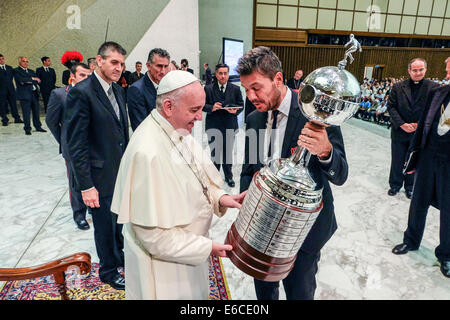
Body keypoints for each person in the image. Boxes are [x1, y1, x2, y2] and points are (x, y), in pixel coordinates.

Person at [111, 70, 246, 299]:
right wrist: (208, 247)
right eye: (194, 110)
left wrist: (221, 197)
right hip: (165, 266)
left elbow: (198, 176)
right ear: (169, 106)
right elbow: (154, 238)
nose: (200, 117)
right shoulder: (147, 152)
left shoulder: (176, 129)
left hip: (189, 249)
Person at [238, 46, 348, 300]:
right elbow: (249, 168)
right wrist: (247, 197)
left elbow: (341, 174)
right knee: (264, 292)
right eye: (246, 89)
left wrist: (325, 151)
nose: (250, 95)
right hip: (262, 228)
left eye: (256, 87)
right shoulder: (255, 119)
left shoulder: (315, 113)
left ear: (277, 79)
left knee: (299, 292)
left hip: (304, 232)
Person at [64, 41, 129, 290]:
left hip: (118, 172)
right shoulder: (82, 91)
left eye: (121, 63)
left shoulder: (118, 90)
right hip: (98, 176)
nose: (119, 68)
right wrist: (86, 185)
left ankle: (118, 257)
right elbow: (76, 144)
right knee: (103, 227)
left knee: (118, 223)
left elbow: (122, 131)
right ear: (98, 62)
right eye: (114, 62)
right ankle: (108, 271)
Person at [392, 57, 450, 279]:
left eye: (448, 71)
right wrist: (414, 155)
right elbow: (424, 126)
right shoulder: (437, 93)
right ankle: (411, 240)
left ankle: (446, 255)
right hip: (428, 156)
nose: (445, 75)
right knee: (418, 203)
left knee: (448, 211)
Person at [46, 62, 91, 230]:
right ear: (72, 76)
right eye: (82, 75)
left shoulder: (92, 93)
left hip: (91, 145)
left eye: (88, 76)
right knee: (76, 181)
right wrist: (64, 141)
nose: (86, 79)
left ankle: (93, 207)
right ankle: (79, 214)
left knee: (92, 177)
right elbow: (51, 121)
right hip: (72, 148)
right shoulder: (59, 94)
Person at [386, 58, 438, 199]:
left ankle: (410, 187)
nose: (418, 73)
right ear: (409, 71)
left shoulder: (433, 87)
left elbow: (435, 109)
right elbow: (391, 107)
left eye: (421, 69)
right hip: (400, 130)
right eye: (414, 70)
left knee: (414, 160)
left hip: (419, 132)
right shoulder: (398, 87)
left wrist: (419, 124)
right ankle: (395, 185)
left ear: (425, 69)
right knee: (397, 160)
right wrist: (402, 124)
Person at [203, 63, 244, 188]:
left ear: (228, 74)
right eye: (220, 73)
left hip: (229, 125)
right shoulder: (208, 89)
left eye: (225, 73)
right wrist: (211, 107)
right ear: (216, 74)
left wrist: (236, 111)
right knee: (215, 153)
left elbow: (241, 104)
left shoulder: (235, 89)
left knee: (227, 153)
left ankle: (229, 176)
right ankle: (215, 178)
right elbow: (202, 105)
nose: (223, 76)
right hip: (213, 125)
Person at [127, 48, 170, 131]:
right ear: (148, 66)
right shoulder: (136, 90)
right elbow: (141, 128)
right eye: (159, 66)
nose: (163, 71)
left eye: (166, 66)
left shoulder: (167, 86)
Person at [13, 56, 46, 135]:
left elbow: (38, 80)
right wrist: (32, 79)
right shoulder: (16, 71)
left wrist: (29, 80)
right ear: (20, 62)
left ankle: (38, 126)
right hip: (25, 95)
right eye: (24, 61)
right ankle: (27, 129)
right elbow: (21, 80)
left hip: (34, 94)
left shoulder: (31, 71)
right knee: (26, 113)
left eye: (27, 61)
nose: (26, 63)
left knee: (36, 112)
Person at [0, 54, 23, 126]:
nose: (2, 60)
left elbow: (16, 76)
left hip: (11, 90)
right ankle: (4, 120)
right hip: (1, 91)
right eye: (0, 59)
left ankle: (17, 118)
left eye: (3, 58)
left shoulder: (9, 68)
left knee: (13, 104)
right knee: (2, 106)